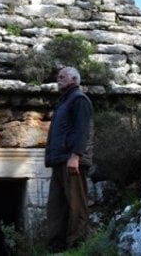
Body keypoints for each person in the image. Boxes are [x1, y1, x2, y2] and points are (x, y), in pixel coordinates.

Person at [44, 66, 94, 252]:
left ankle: (77, 247)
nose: (58, 79)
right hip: (59, 161)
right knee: (56, 207)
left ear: (74, 79)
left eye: (62, 77)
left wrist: (76, 156)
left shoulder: (79, 100)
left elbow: (82, 130)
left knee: (76, 206)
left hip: (72, 160)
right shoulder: (64, 102)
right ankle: (56, 248)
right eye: (58, 77)